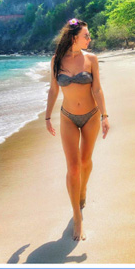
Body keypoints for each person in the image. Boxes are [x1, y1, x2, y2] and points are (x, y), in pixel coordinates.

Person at [44, 18, 110, 241]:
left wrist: (105, 116)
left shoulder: (91, 59)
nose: (90, 39)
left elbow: (98, 89)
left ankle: (83, 191)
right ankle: (77, 216)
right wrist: (47, 116)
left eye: (89, 36)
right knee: (73, 168)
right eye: (86, 36)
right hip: (68, 118)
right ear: (74, 37)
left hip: (91, 116)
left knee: (85, 162)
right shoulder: (56, 60)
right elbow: (53, 90)